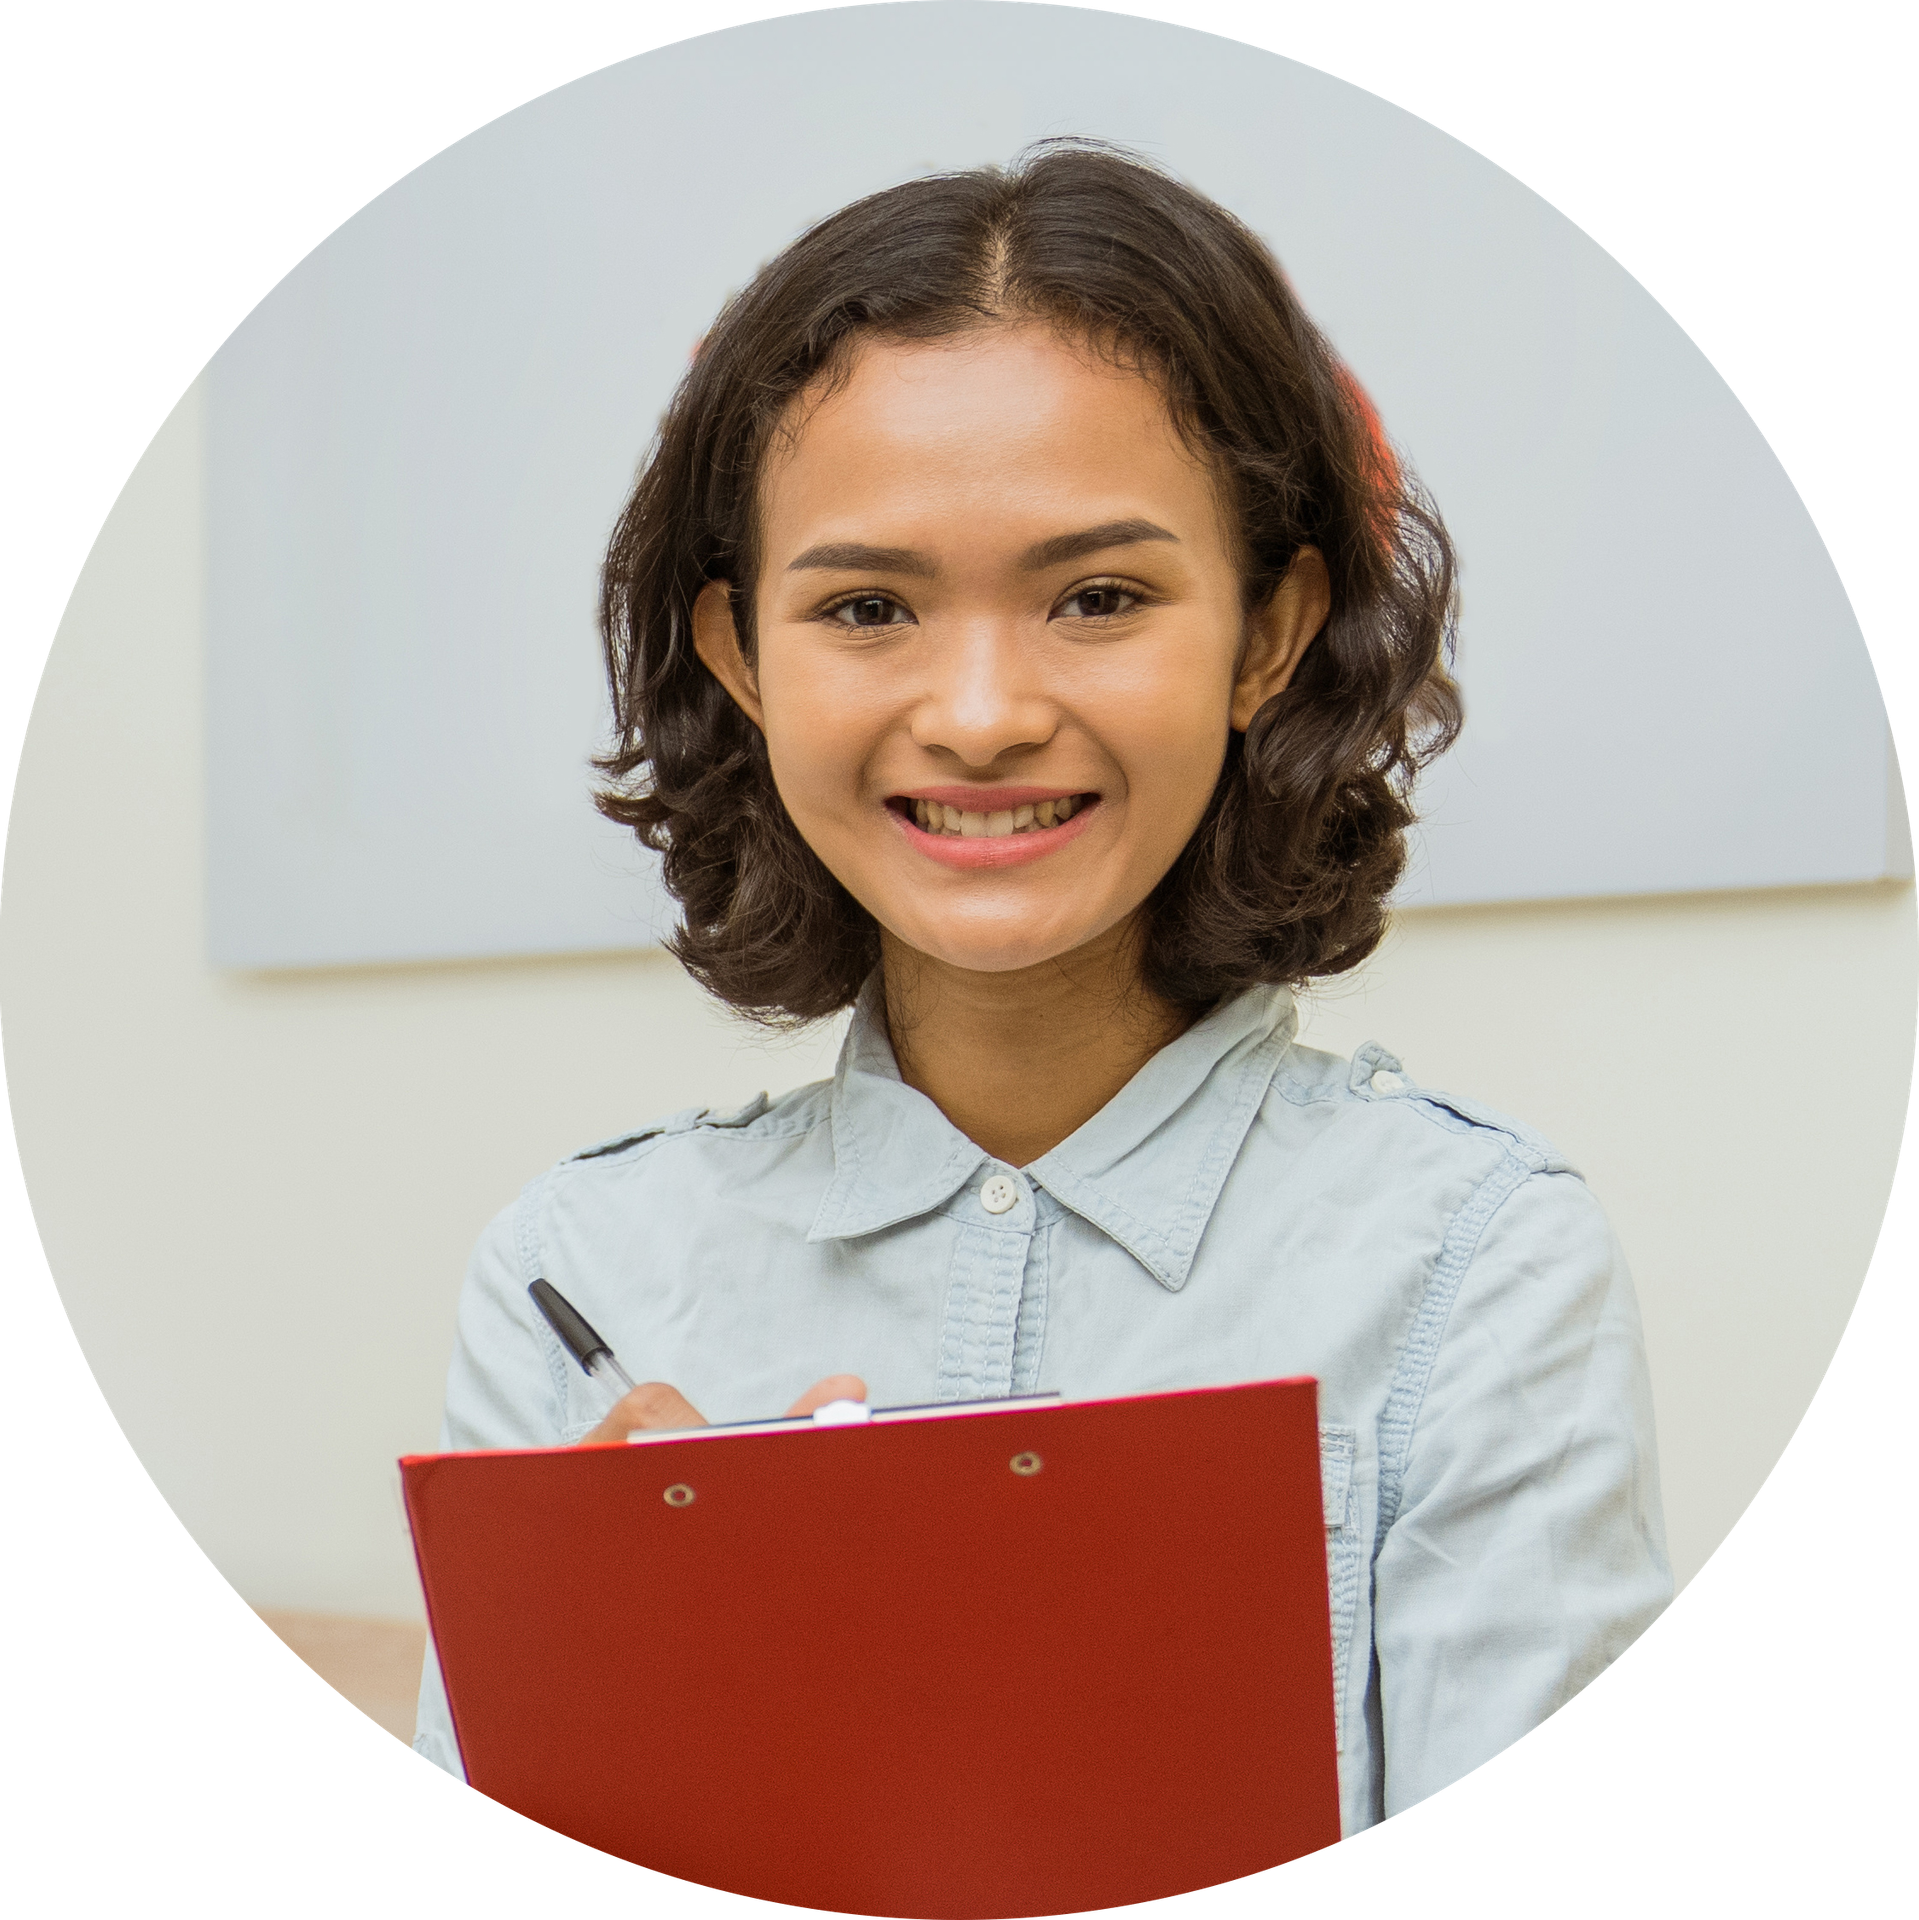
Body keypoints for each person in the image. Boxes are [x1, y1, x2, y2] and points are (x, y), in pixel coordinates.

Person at [411, 141, 1671, 1844]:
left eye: (1098, 597)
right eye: (866, 606)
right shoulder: (577, 1278)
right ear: (739, 658)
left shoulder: (1474, 1261)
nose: (984, 711)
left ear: (1266, 635)